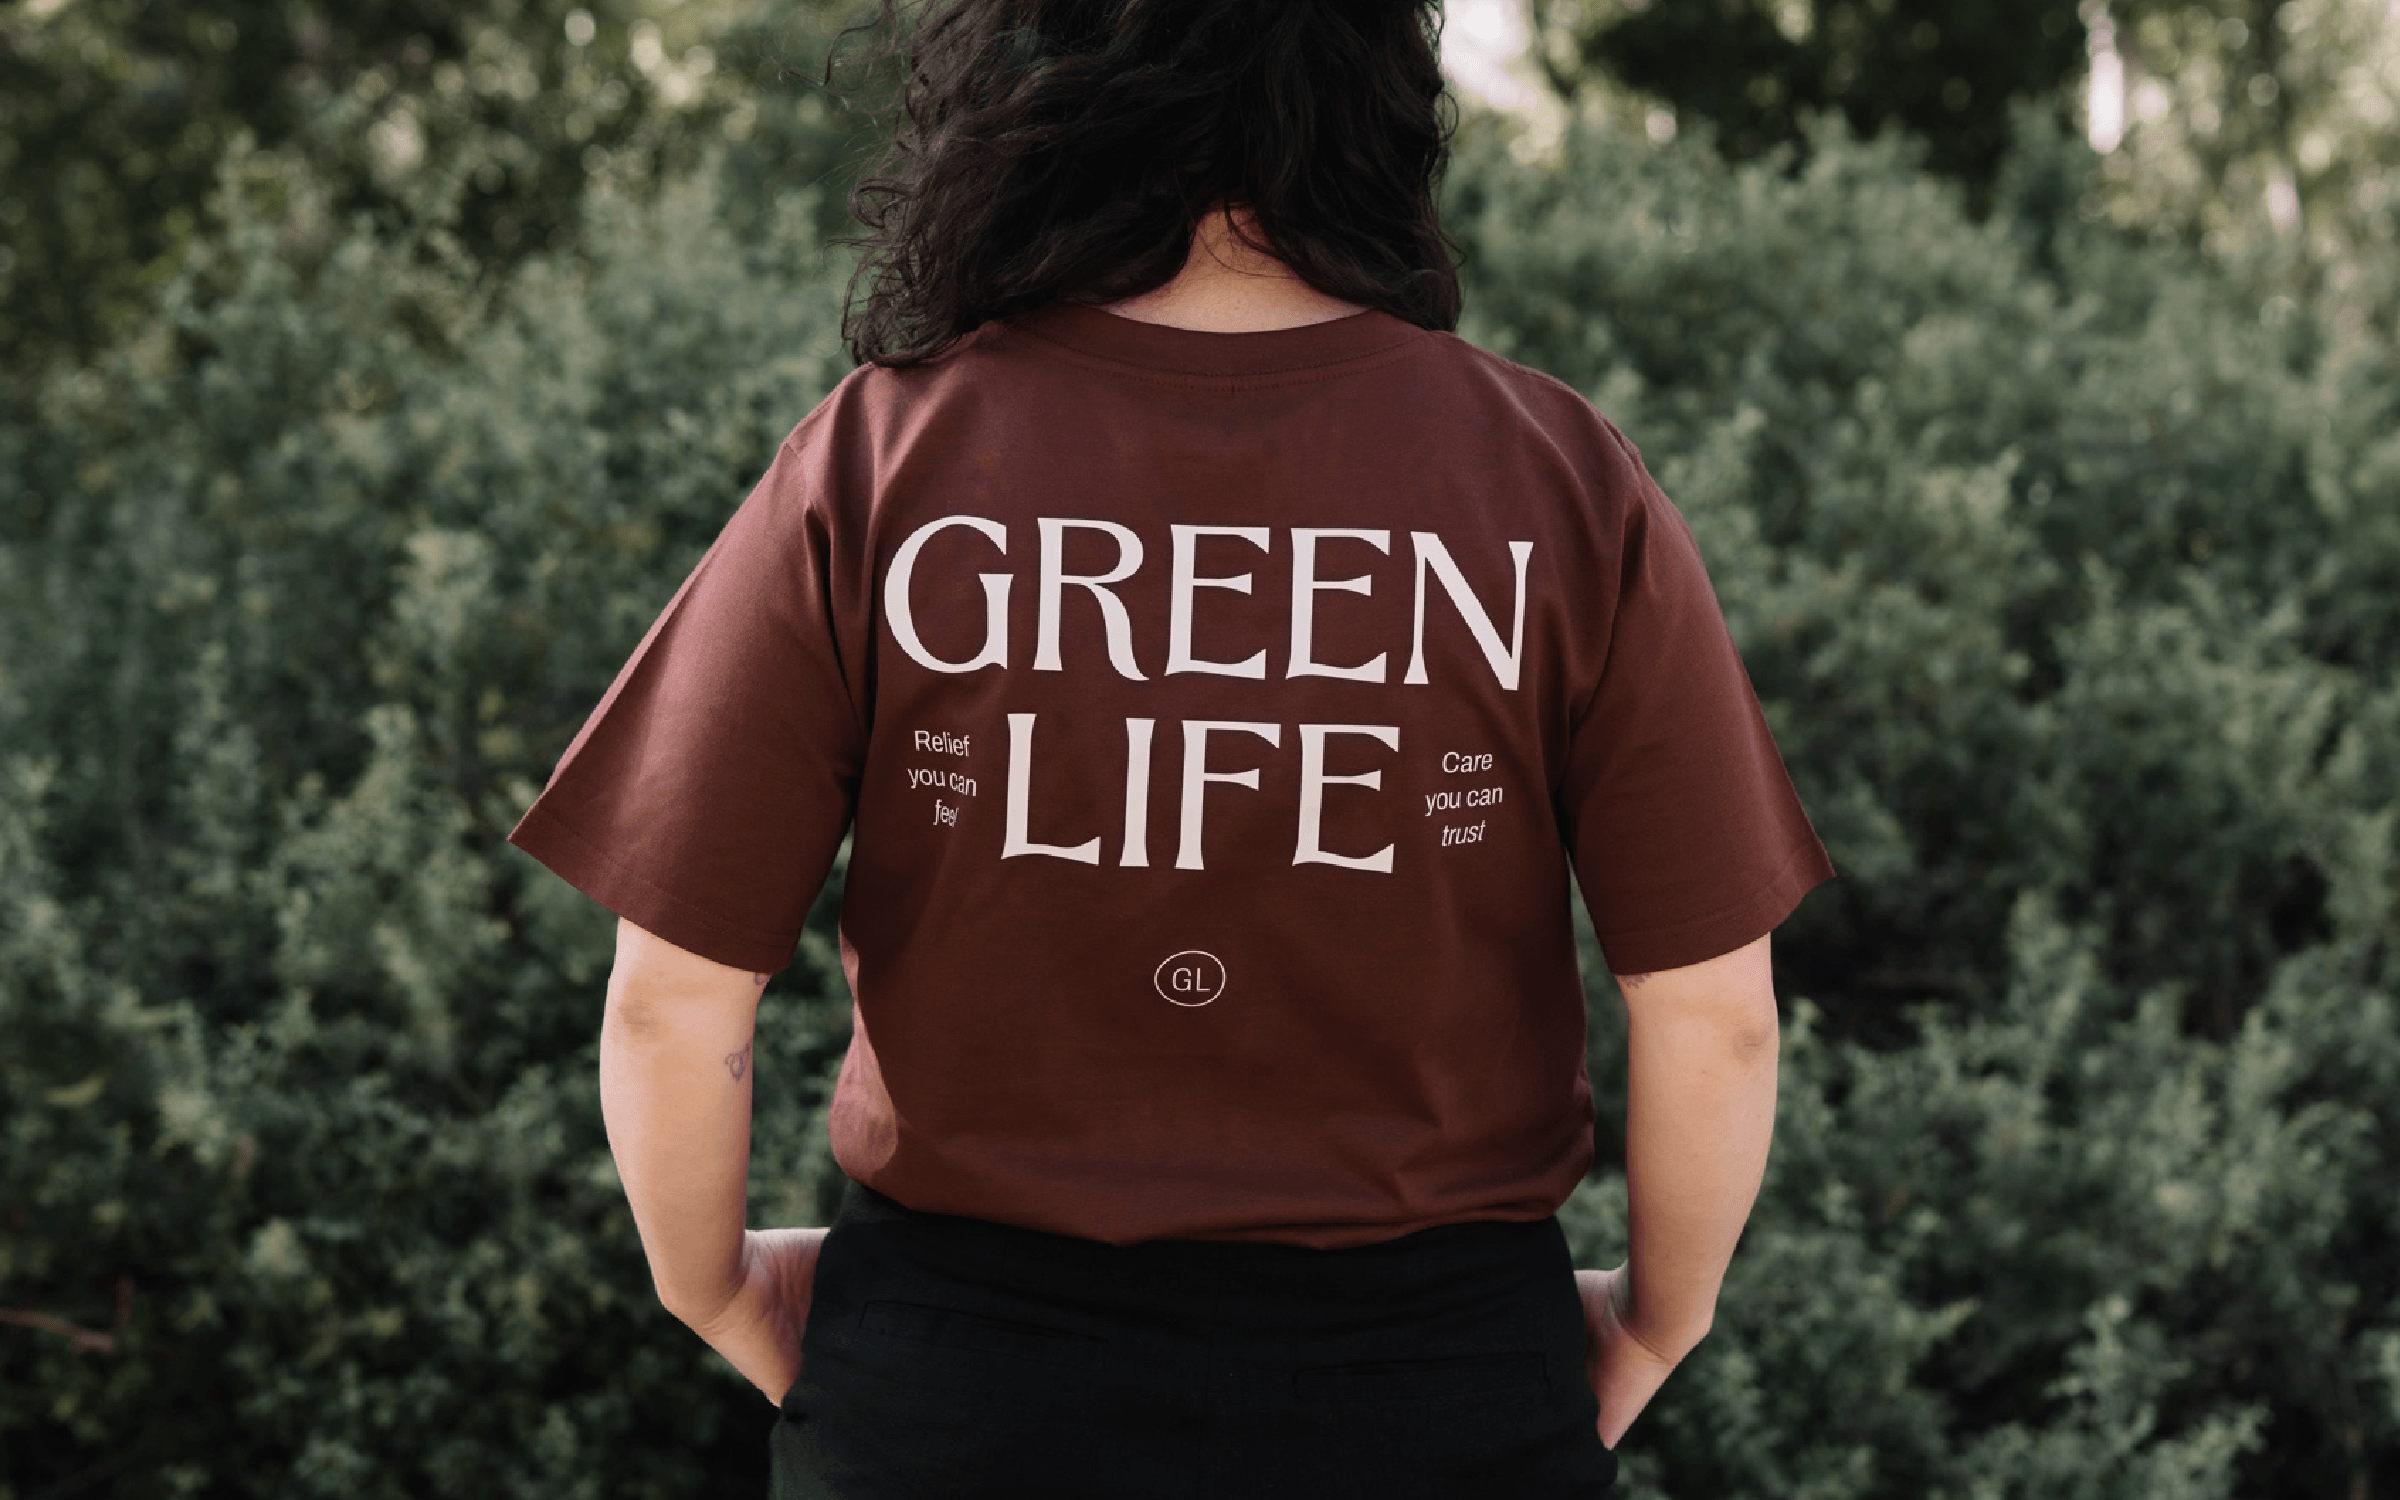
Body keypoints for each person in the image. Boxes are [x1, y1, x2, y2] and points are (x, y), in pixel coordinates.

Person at [505, 1, 1833, 1494]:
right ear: (1380, 99)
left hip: (958, 1390)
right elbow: (1716, 1016)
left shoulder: (882, 456)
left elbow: (672, 1002)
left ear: (1035, 87)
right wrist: (1654, 1327)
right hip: (1439, 1386)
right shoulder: (1557, 475)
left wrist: (721, 1292)